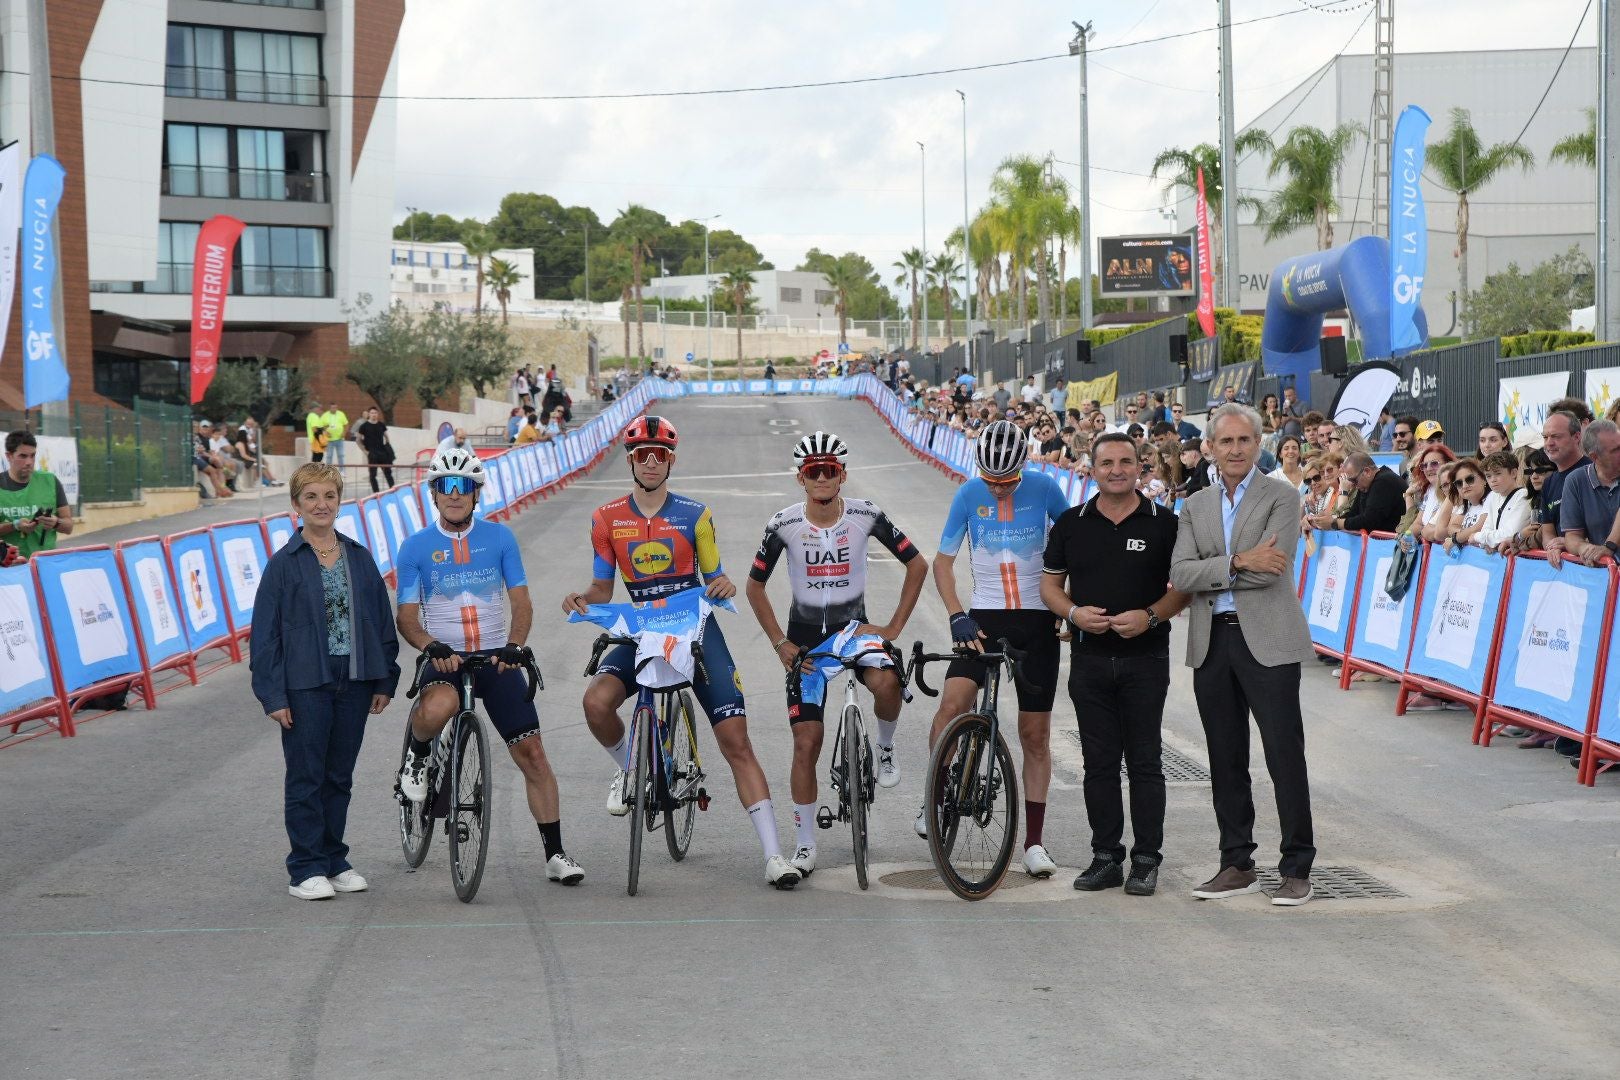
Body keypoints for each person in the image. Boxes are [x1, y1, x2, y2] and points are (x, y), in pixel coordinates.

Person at [562, 416, 800, 889]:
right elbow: (601, 584)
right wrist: (583, 599)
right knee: (595, 702)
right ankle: (632, 767)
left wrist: (723, 582)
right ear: (630, 459)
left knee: (736, 740)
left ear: (672, 459)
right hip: (641, 625)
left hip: (693, 624)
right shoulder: (607, 518)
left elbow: (714, 577)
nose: (652, 461)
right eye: (643, 454)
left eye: (661, 454)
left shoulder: (695, 514)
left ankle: (775, 855)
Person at [394, 448, 584, 885]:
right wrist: (429, 645)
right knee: (437, 707)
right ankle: (418, 756)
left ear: (476, 494)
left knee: (533, 753)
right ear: (435, 493)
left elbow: (520, 600)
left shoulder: (499, 539)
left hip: (495, 657)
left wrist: (516, 646)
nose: (455, 494)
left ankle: (555, 854)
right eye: (447, 486)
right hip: (444, 657)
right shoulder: (416, 547)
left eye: (464, 487)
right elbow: (406, 616)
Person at [745, 432, 928, 878]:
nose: (822, 477)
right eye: (814, 472)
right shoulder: (782, 523)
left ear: (842, 475)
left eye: (830, 470)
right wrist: (779, 643)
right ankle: (805, 846)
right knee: (806, 742)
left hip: (854, 632)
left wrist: (892, 628)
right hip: (805, 645)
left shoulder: (866, 515)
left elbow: (918, 565)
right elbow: (754, 587)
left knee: (886, 682)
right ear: (801, 479)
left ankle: (884, 748)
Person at [1169, 403, 1317, 907]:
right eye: (1225, 441)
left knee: (1283, 754)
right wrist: (1236, 561)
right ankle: (1236, 863)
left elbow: (1272, 569)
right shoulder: (1196, 504)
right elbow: (1181, 574)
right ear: (1209, 446)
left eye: (1244, 441)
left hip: (1269, 638)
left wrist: (1220, 568)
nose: (1234, 450)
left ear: (1259, 445)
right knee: (1224, 757)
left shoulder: (1282, 496)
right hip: (1212, 641)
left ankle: (1297, 866)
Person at [1040, 434, 1189, 895]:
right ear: (1092, 468)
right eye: (1107, 463)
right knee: (1098, 764)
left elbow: (1183, 586)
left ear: (1140, 466)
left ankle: (1146, 859)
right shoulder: (1070, 523)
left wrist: (1149, 617)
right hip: (1087, 660)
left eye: (1126, 461)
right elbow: (1050, 587)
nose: (1117, 470)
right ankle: (1105, 856)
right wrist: (1072, 613)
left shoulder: (1165, 523)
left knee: (1145, 763)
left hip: (1146, 659)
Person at [926, 420, 1071, 878]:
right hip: (983, 617)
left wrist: (1070, 609)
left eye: (1007, 482)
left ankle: (1033, 842)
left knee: (1035, 736)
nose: (999, 489)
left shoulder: (1047, 488)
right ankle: (935, 796)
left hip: (1038, 618)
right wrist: (954, 613)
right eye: (991, 480)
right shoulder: (969, 495)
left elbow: (1077, 548)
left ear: (1023, 468)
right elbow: (943, 563)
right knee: (951, 706)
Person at [250, 463, 399, 900]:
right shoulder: (283, 565)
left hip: (353, 680)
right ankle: (305, 867)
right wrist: (273, 694)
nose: (321, 505)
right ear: (296, 505)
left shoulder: (358, 556)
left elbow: (380, 620)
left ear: (340, 501)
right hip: (305, 683)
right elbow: (265, 636)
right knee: (306, 776)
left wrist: (383, 679)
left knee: (339, 776)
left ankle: (335, 860)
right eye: (311, 497)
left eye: (329, 496)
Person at [1554, 419, 1620, 567]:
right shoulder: (1576, 480)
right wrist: (1584, 548)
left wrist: (1608, 547)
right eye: (1616, 450)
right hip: (1607, 578)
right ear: (1595, 457)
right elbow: (1572, 536)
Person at [0, 432, 75, 559]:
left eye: (32, 456)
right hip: (10, 568)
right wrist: (15, 525)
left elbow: (69, 527)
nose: (29, 462)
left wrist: (56, 523)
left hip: (45, 564)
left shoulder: (50, 481)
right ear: (9, 456)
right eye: (22, 456)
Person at [1533, 411, 1589, 558]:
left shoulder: (1593, 472)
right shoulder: (1549, 483)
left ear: (1576, 437)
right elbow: (1547, 530)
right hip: (1564, 571)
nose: (1549, 443)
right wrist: (1552, 547)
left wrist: (1571, 543)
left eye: (1556, 436)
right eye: (1545, 437)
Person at [1324, 453, 1406, 533]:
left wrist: (1335, 523)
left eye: (1354, 480)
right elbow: (1354, 513)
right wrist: (1328, 521)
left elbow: (1369, 521)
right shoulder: (1366, 483)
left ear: (1367, 471)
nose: (1354, 486)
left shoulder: (1384, 481)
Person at [1471, 451, 1530, 551]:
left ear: (1513, 473)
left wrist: (1477, 537)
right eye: (1488, 476)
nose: (1493, 480)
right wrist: (1486, 542)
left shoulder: (1524, 496)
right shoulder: (1493, 496)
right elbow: (1487, 528)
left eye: (1497, 473)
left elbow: (1510, 534)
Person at [354, 406, 395, 494]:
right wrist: (365, 451)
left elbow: (386, 436)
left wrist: (387, 446)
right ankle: (376, 494)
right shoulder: (364, 426)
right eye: (372, 413)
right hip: (372, 454)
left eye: (375, 413)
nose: (374, 415)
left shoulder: (381, 425)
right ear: (369, 414)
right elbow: (358, 440)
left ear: (378, 414)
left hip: (383, 453)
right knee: (373, 475)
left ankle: (393, 491)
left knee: (388, 473)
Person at [322, 403, 350, 468]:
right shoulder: (325, 415)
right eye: (332, 408)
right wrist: (326, 432)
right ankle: (328, 471)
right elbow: (321, 426)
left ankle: (342, 471)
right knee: (329, 456)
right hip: (329, 440)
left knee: (341, 455)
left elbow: (346, 424)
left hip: (339, 439)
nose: (334, 409)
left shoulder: (341, 414)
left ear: (337, 408)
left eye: (335, 408)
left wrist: (344, 433)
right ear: (330, 408)